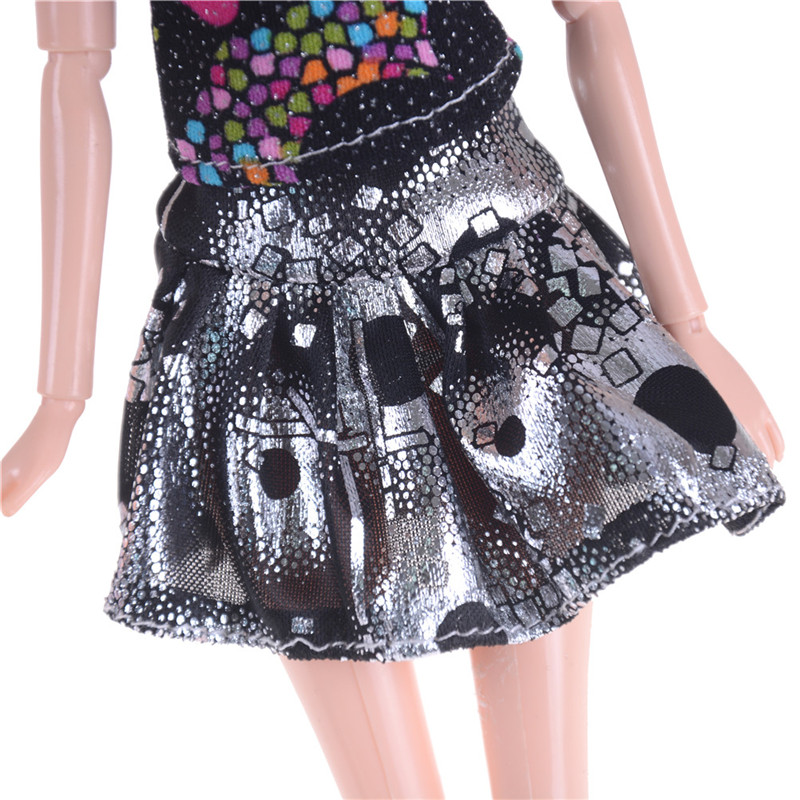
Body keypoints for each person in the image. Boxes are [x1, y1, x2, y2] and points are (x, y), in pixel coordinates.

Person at [0, 2, 792, 798]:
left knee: (537, 531)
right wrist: (60, 397)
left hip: (473, 216)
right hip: (270, 275)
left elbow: (589, 13)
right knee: (313, 573)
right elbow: (73, 70)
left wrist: (688, 319)